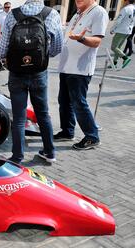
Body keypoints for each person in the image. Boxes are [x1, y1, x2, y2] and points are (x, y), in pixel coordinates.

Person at [0, 0, 63, 164]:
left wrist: (9, 62)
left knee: (19, 118)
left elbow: (3, 48)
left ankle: (17, 157)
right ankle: (49, 152)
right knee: (43, 114)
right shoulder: (52, 14)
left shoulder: (13, 14)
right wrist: (41, 57)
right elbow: (57, 47)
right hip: (39, 72)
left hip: (17, 72)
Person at [54, 0, 109, 150]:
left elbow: (97, 41)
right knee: (64, 101)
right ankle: (67, 131)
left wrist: (82, 38)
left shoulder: (99, 12)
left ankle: (92, 137)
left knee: (79, 103)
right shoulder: (78, 13)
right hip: (66, 67)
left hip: (80, 69)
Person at [110, 0, 134, 68]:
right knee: (118, 47)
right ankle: (114, 63)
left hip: (121, 30)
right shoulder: (134, 8)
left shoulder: (125, 9)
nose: (124, 2)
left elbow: (118, 20)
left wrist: (112, 29)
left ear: (127, 1)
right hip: (128, 30)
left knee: (114, 47)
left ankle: (125, 58)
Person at [0, 2, 11, 71]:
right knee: (1, 51)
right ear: (4, 7)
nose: (7, 8)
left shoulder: (12, 15)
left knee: (9, 51)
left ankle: (8, 64)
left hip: (10, 36)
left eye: (8, 7)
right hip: (2, 35)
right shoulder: (1, 16)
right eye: (6, 7)